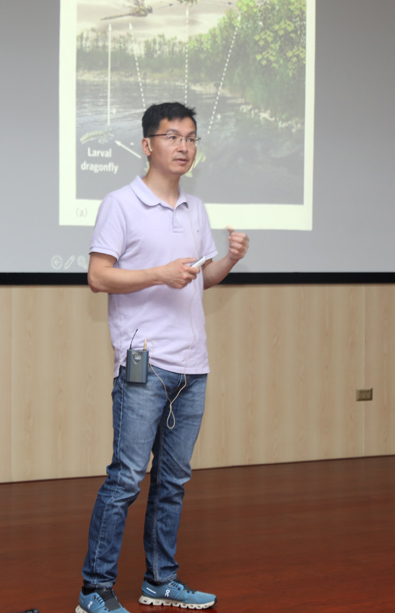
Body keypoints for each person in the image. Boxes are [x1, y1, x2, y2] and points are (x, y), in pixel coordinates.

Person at [77, 102, 250, 613]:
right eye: (173, 136)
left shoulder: (195, 208)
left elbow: (199, 279)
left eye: (191, 138)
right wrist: (159, 273)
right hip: (144, 363)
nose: (183, 146)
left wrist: (230, 258)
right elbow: (97, 276)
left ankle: (160, 581)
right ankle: (94, 591)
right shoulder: (121, 203)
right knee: (126, 479)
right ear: (147, 144)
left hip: (193, 366)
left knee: (172, 482)